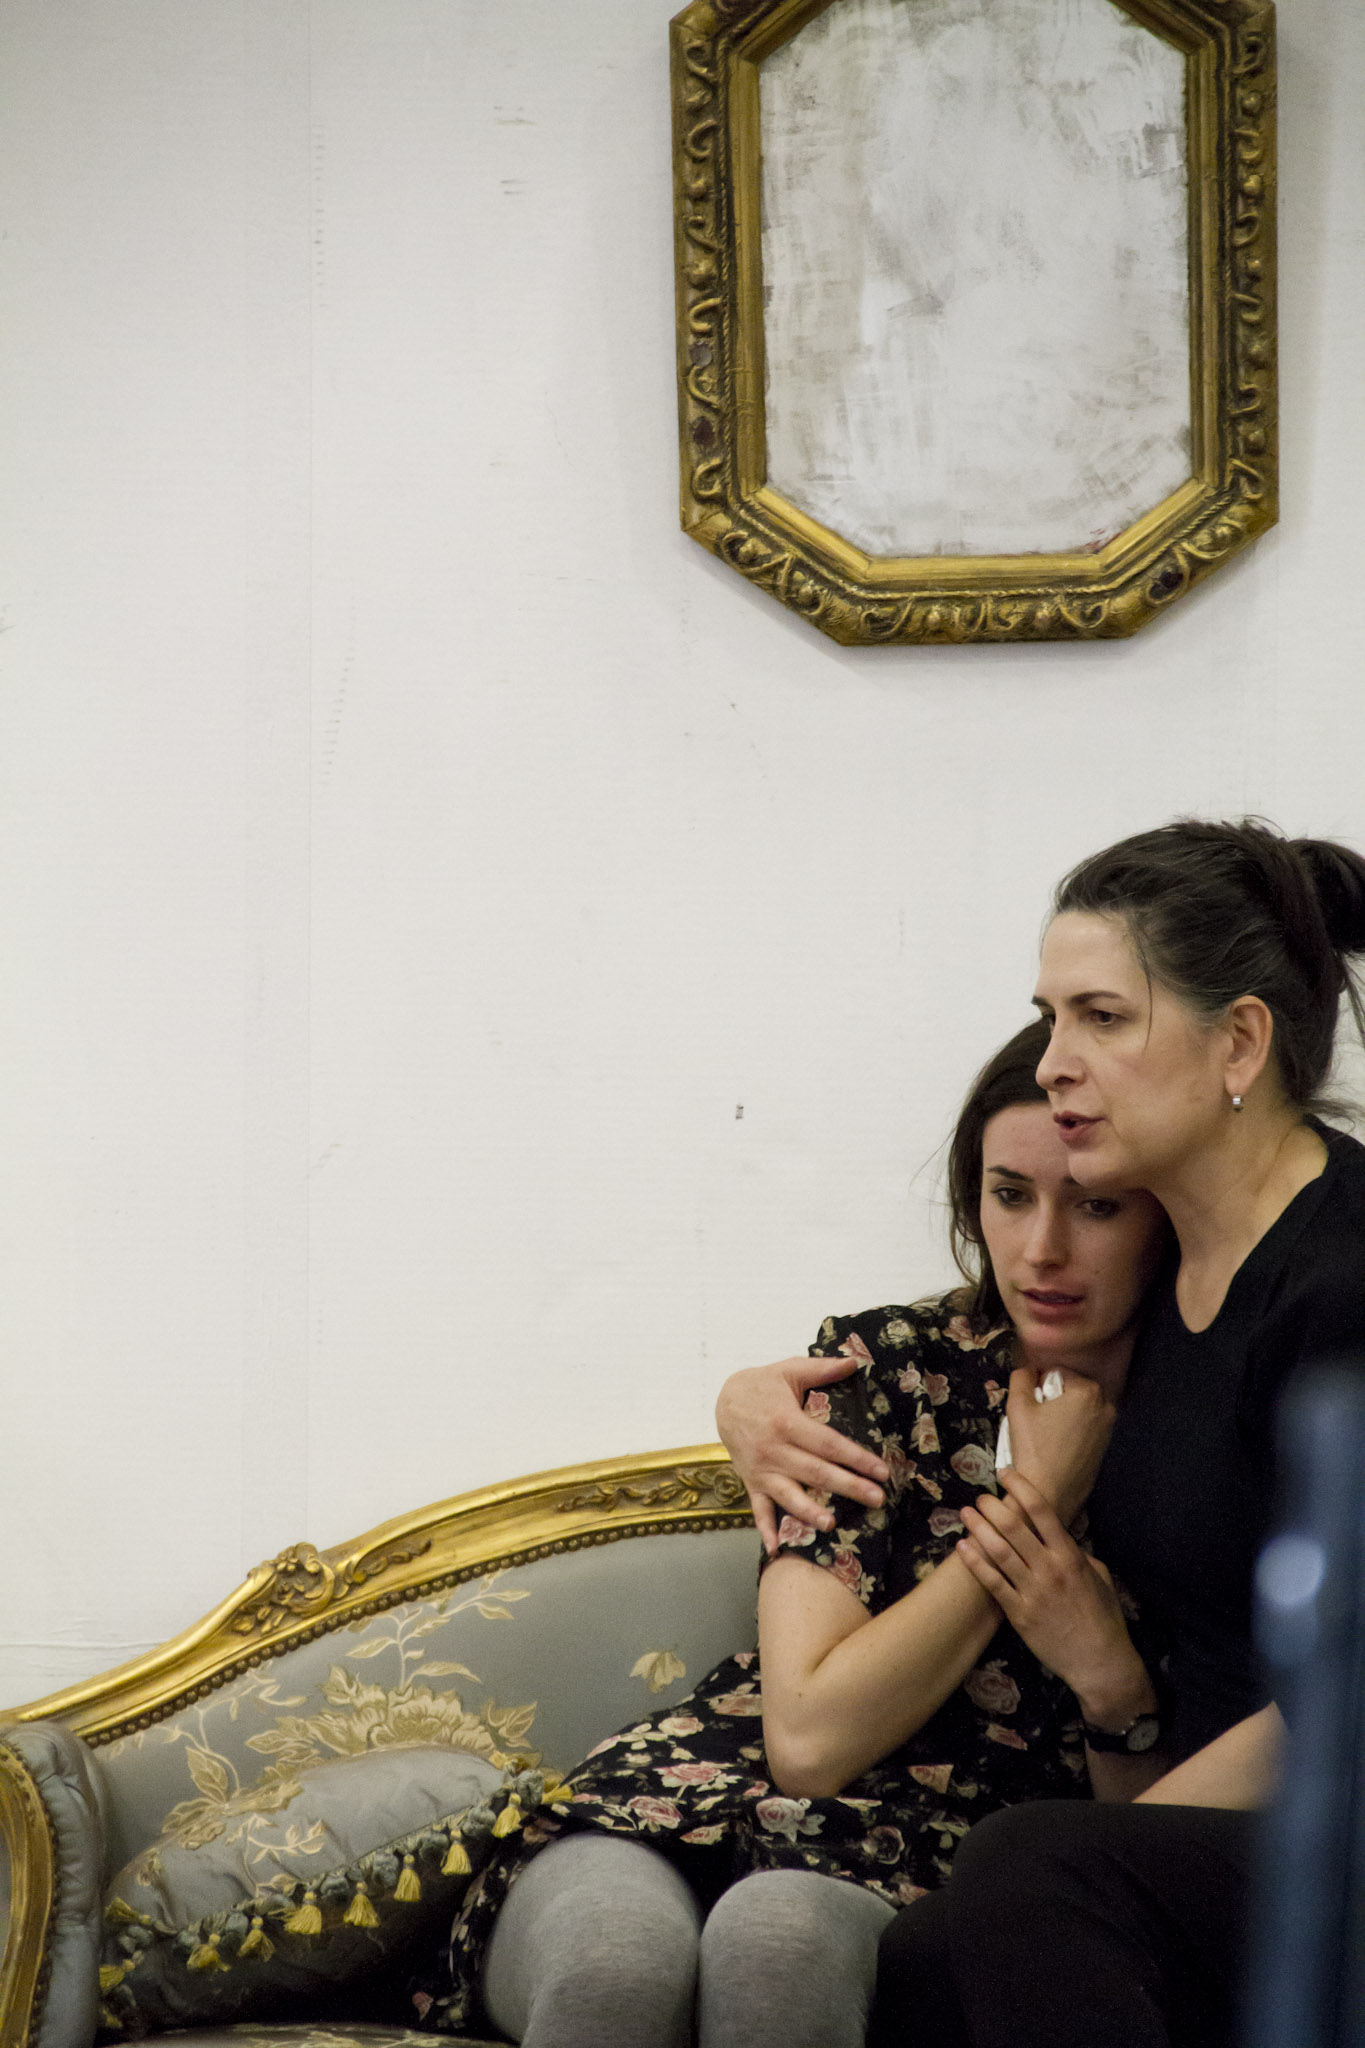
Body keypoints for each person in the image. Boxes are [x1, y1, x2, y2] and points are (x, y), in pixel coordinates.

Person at [721, 819, 1365, 2048]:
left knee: (1023, 1877)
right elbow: (947, 1350)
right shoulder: (1177, 1255)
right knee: (927, 1952)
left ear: (1239, 1040)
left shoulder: (1339, 1278)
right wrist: (749, 1401)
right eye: (1050, 1015)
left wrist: (1129, 1835)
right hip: (1211, 1825)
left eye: (1101, 1018)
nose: (1056, 1062)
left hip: (1330, 1820)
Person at [409, 1021, 1170, 2046]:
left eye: (1096, 1204)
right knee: (614, 1969)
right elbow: (807, 1736)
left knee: (777, 1944)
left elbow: (1149, 1816)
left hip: (922, 1870)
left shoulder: (1208, 1434)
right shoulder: (887, 1370)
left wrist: (1098, 1649)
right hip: (679, 1806)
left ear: (1163, 1207)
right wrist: (1028, 1511)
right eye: (1009, 1194)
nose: (1041, 1248)